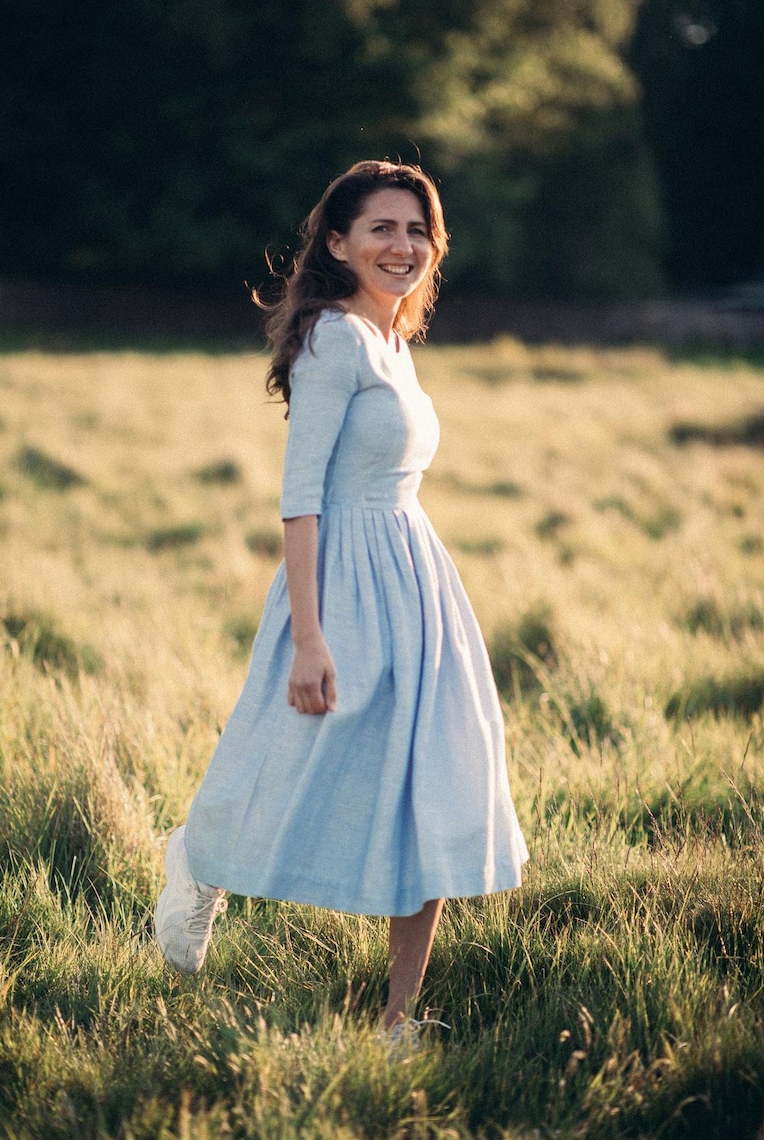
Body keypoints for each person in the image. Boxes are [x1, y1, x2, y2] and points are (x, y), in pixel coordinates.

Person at [154, 160, 528, 1035]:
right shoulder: (334, 339)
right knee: (286, 751)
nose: (402, 246)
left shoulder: (394, 342)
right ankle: (200, 862)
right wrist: (311, 638)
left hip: (417, 580)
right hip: (341, 580)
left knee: (436, 784)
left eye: (416, 231)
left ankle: (399, 1022)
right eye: (381, 229)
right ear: (337, 242)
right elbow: (302, 492)